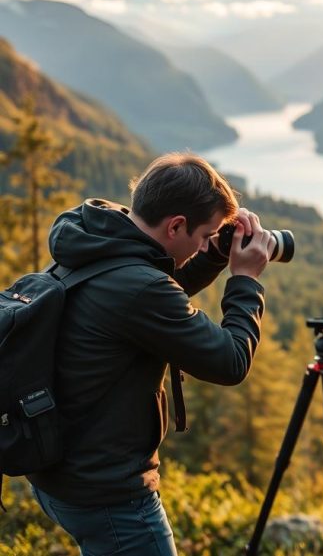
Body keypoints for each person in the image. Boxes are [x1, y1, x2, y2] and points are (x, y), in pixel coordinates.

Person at [27, 152, 274, 555]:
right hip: (110, 496)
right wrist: (245, 280)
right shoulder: (139, 286)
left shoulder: (98, 241)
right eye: (205, 235)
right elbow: (231, 361)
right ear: (176, 225)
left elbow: (148, 295)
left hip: (60, 478)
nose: (205, 244)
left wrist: (212, 256)